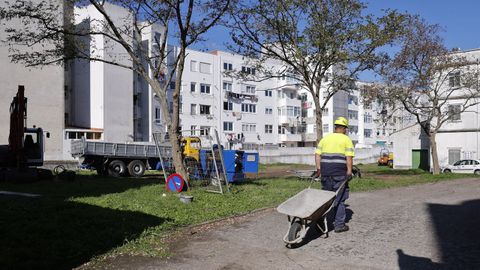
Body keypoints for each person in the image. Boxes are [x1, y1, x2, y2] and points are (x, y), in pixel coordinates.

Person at [314, 116, 354, 233]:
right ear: (344, 128)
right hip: (339, 174)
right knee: (340, 199)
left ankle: (320, 221)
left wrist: (319, 169)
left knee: (326, 199)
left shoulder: (325, 139)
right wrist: (349, 172)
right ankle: (339, 225)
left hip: (325, 173)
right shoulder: (346, 140)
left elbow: (317, 155)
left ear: (336, 127)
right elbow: (349, 158)